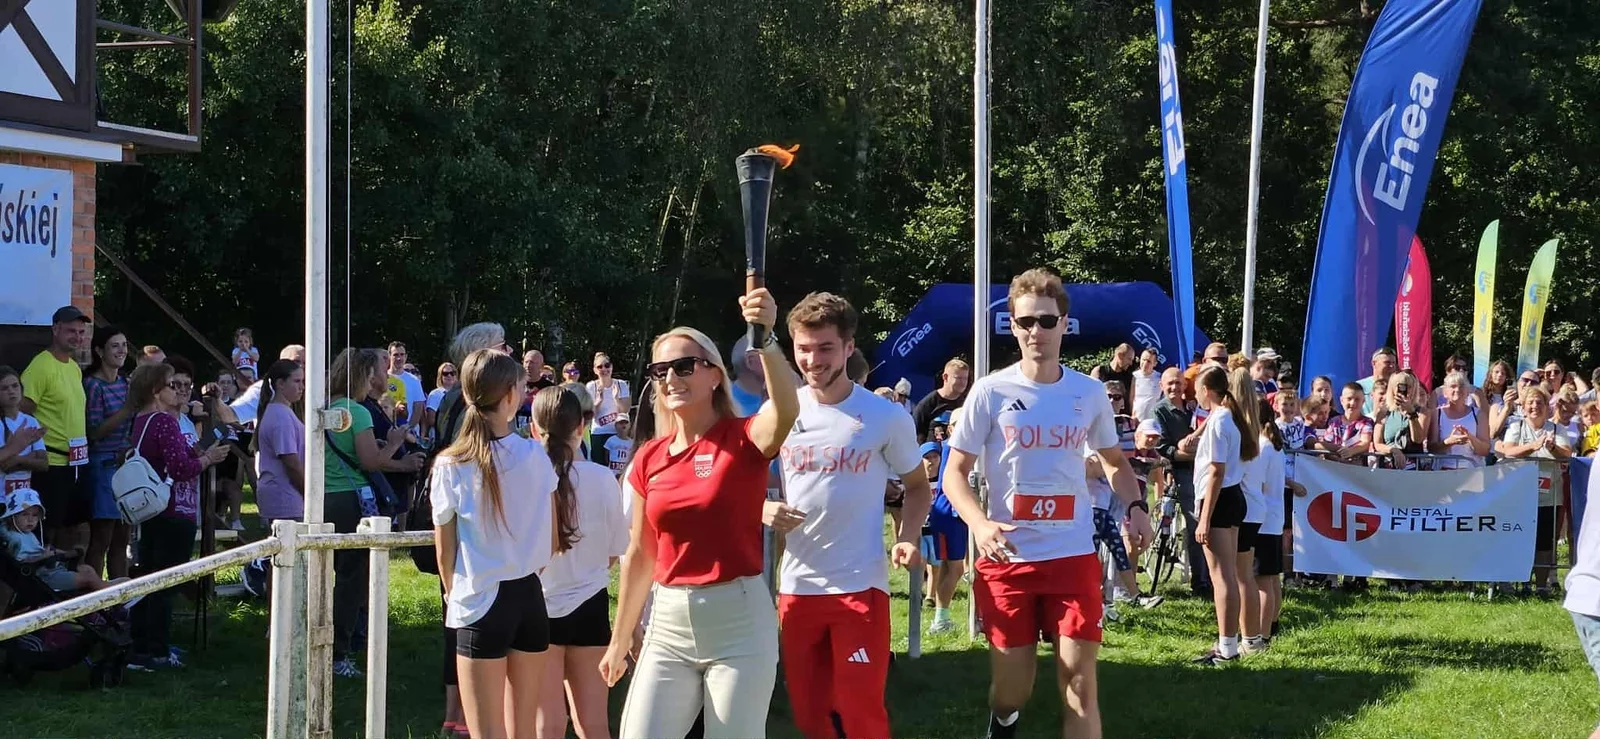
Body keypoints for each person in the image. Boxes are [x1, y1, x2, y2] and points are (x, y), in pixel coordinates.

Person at [938, 268, 1153, 739]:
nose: (1036, 331)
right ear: (1013, 327)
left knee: (1079, 684)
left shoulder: (1087, 392)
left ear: (1064, 325)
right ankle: (1004, 720)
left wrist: (1137, 507)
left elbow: (1114, 461)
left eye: (1047, 321)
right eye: (1026, 322)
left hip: (1071, 555)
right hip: (1008, 558)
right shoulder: (991, 391)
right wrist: (979, 524)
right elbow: (953, 473)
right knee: (1012, 690)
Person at [599, 287, 799, 739]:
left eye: (684, 366)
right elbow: (640, 554)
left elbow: (787, 408)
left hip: (739, 621)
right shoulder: (649, 458)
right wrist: (619, 638)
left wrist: (766, 339)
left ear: (714, 375)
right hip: (668, 622)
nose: (671, 378)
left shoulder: (744, 438)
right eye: (660, 370)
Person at [771, 292, 932, 739]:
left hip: (860, 585)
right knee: (810, 715)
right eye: (803, 348)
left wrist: (908, 536)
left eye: (825, 348)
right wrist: (762, 506)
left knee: (860, 712)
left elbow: (918, 486)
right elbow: (742, 476)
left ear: (848, 347)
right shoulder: (782, 410)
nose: (812, 360)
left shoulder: (883, 415)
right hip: (798, 586)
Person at [431, 350, 561, 739]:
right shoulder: (535, 454)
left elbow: (445, 551)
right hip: (529, 597)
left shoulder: (450, 464)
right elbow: (553, 538)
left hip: (479, 599)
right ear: (509, 395)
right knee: (523, 731)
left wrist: (456, 594)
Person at [531, 387, 629, 739]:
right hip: (591, 603)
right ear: (582, 427)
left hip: (539, 604)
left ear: (534, 429)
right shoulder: (603, 478)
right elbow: (616, 550)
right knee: (594, 723)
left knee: (548, 724)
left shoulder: (529, 480)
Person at [326, 347, 426, 678]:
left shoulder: (328, 408)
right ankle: (339, 653)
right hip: (353, 498)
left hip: (327, 497)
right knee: (352, 579)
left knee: (331, 574)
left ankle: (330, 644)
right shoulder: (358, 412)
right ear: (365, 376)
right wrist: (395, 442)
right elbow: (371, 462)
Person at [126, 362, 230, 670]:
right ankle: (158, 651)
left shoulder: (141, 420)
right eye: (171, 385)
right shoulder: (164, 421)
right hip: (173, 509)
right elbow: (180, 468)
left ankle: (140, 647)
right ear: (155, 391)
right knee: (165, 583)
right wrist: (208, 458)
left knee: (147, 579)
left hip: (151, 510)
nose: (178, 391)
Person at [1190, 365, 1260, 666]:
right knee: (1228, 575)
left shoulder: (1220, 420)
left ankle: (1227, 647)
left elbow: (1216, 471)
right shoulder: (1228, 417)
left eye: (1197, 390)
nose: (1195, 395)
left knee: (1222, 577)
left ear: (1207, 391)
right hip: (1231, 497)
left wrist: (1205, 517)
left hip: (1219, 499)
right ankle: (1228, 643)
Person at [20, 305, 93, 549]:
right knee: (48, 530)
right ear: (55, 329)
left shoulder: (73, 367)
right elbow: (22, 410)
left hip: (77, 461)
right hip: (52, 462)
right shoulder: (41, 365)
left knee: (76, 527)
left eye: (81, 332)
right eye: (71, 331)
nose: (77, 337)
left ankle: (69, 572)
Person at [1496, 385, 1571, 594]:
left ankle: (1541, 586)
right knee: (1516, 539)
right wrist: (1533, 446)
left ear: (1547, 406)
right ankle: (1514, 581)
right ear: (1524, 406)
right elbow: (1509, 451)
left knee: (1544, 542)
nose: (1535, 406)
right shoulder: (1516, 426)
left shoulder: (1556, 429)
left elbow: (1567, 454)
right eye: (1530, 402)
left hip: (1549, 496)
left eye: (1539, 402)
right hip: (1519, 495)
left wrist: (1553, 447)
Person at [1151, 366, 1209, 596]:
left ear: (1185, 384)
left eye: (1178, 382)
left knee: (1209, 523)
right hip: (1183, 472)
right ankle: (1200, 582)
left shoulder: (1193, 408)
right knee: (1196, 524)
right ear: (1162, 386)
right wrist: (1191, 455)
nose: (1174, 387)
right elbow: (1163, 447)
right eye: (1170, 383)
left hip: (1203, 470)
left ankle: (1209, 577)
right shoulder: (1160, 411)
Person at [82, 326, 134, 578]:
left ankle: (120, 596)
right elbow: (93, 432)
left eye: (124, 345)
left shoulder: (126, 383)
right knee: (102, 537)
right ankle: (94, 596)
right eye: (115, 345)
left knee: (122, 538)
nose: (121, 350)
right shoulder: (93, 385)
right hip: (102, 465)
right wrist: (126, 411)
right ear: (100, 351)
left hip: (126, 464)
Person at [2, 488, 121, 592]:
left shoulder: (29, 535)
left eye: (34, 515)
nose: (30, 520)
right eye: (25, 515)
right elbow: (21, 564)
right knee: (88, 578)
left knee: (87, 569)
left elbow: (43, 552)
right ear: (12, 516)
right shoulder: (12, 538)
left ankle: (104, 588)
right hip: (42, 576)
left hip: (51, 568)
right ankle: (109, 591)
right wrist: (45, 556)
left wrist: (63, 553)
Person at [1247, 404, 1292, 642]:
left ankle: (1262, 634)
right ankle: (1271, 627)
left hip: (1262, 518)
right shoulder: (1274, 446)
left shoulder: (1263, 447)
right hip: (1273, 517)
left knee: (1262, 580)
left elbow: (1258, 483)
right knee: (1272, 578)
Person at [920, 410, 967, 634]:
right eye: (959, 423)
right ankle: (941, 619)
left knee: (949, 567)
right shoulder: (954, 446)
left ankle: (942, 618)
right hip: (950, 512)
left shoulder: (954, 446)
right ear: (950, 428)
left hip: (952, 512)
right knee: (955, 568)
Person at [253, 360, 306, 523]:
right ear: (280, 384)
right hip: (286, 498)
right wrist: (309, 494)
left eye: (303, 381)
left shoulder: (280, 412)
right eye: (297, 381)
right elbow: (291, 463)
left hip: (284, 495)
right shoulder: (281, 416)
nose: (302, 387)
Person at [228, 344, 306, 426]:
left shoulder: (313, 390)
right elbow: (231, 414)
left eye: (305, 362)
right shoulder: (265, 388)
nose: (301, 366)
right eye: (296, 361)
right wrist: (218, 401)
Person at [0, 366, 47, 498]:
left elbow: (44, 463)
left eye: (15, 386)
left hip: (23, 498)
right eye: (4, 388)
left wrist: (17, 459)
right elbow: (5, 465)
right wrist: (30, 457)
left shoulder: (31, 421)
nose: (11, 391)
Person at [1429, 371, 1490, 469]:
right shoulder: (1437, 414)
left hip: (1472, 472)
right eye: (1453, 386)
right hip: (1442, 471)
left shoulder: (1479, 414)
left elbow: (1485, 451)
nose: (1457, 389)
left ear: (1467, 392)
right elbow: (1431, 448)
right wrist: (1449, 442)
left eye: (1461, 386)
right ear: (1445, 393)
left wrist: (1470, 438)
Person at [586, 351, 631, 469]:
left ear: (611, 367)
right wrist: (599, 401)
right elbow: (590, 415)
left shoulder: (621, 384)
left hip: (618, 433)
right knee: (598, 467)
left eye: (607, 365)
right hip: (599, 433)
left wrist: (616, 399)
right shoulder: (591, 386)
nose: (604, 369)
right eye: (599, 367)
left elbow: (625, 410)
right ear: (595, 370)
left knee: (617, 468)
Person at [1374, 372, 1427, 469]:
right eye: (1400, 387)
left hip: (1413, 468)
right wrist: (1393, 450)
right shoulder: (1384, 412)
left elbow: (1418, 439)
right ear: (1392, 388)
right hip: (1388, 466)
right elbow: (1377, 444)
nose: (1405, 391)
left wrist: (1411, 413)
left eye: (1409, 387)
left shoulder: (1422, 412)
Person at [912, 358, 971, 442]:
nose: (963, 383)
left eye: (965, 378)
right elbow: (915, 432)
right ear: (945, 377)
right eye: (958, 378)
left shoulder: (968, 403)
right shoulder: (928, 404)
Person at [387, 342, 427, 427]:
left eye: (402, 354)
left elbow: (418, 408)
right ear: (389, 356)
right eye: (395, 355)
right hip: (386, 426)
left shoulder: (414, 380)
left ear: (406, 356)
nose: (399, 358)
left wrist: (408, 427)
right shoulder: (382, 377)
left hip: (408, 428)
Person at [1358, 348, 1398, 415]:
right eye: (1387, 362)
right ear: (1374, 363)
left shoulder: (1398, 387)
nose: (1392, 366)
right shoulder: (1359, 387)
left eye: (1393, 363)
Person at [426, 362, 458, 434]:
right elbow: (431, 420)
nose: (449, 375)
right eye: (445, 373)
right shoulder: (435, 394)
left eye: (452, 373)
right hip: (438, 432)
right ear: (440, 376)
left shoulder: (461, 393)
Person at [1130, 348, 1162, 420]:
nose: (1145, 363)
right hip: (1136, 419)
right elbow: (1132, 397)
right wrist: (1132, 415)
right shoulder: (1135, 376)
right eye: (1143, 360)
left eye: (1149, 361)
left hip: (1153, 419)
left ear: (1155, 364)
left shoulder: (1159, 378)